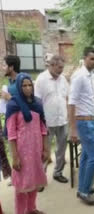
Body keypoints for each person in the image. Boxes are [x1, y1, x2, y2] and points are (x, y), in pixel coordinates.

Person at [6, 73, 49, 214]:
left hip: (36, 150)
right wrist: (15, 156)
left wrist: (45, 149)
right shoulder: (13, 105)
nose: (27, 88)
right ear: (19, 87)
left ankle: (31, 209)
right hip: (22, 152)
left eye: (30, 85)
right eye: (24, 85)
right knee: (22, 186)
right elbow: (11, 134)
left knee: (34, 181)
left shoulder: (37, 104)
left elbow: (43, 128)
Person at [69, 47, 94, 205]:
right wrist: (73, 129)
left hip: (91, 120)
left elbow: (91, 100)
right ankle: (84, 191)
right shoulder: (79, 76)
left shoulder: (90, 76)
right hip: (83, 122)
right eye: (92, 59)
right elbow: (71, 102)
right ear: (85, 58)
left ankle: (83, 187)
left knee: (86, 157)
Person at [34, 55, 69, 183]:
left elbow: (67, 98)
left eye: (62, 68)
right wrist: (39, 122)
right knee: (44, 150)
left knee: (61, 148)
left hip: (63, 120)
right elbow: (36, 102)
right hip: (47, 122)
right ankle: (41, 177)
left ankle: (58, 172)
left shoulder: (63, 79)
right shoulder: (41, 79)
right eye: (59, 67)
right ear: (52, 65)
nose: (61, 70)